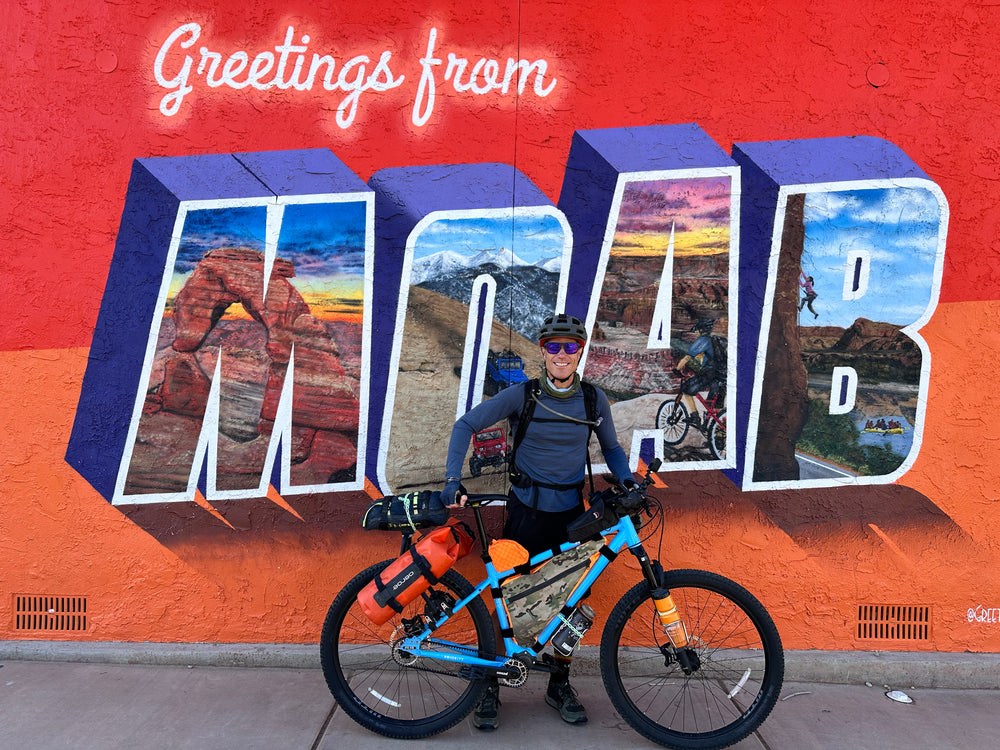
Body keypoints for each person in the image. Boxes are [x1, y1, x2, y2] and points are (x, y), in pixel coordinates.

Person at [442, 313, 633, 731]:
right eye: (554, 347)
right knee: (508, 598)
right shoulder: (522, 395)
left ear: (580, 352)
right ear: (543, 352)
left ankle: (558, 684)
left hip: (572, 517)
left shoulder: (593, 400)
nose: (562, 354)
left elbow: (612, 448)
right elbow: (465, 425)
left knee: (571, 602)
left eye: (570, 347)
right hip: (525, 512)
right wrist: (452, 479)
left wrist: (628, 479)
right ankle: (490, 684)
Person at [673, 318, 718, 430]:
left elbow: (688, 357)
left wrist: (677, 369)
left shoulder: (703, 340)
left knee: (686, 389)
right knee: (713, 406)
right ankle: (711, 429)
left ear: (701, 330)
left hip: (709, 374)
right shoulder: (716, 340)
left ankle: (695, 417)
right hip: (720, 376)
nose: (696, 333)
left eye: (696, 330)